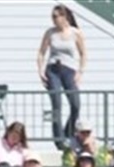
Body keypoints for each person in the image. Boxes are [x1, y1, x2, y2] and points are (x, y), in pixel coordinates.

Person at [37, 4, 86, 148]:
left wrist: (80, 72)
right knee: (56, 104)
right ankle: (58, 139)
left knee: (75, 104)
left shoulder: (75, 33)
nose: (55, 19)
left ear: (65, 17)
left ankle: (68, 132)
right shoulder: (50, 33)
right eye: (53, 16)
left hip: (69, 70)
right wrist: (40, 71)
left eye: (57, 16)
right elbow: (41, 53)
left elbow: (83, 54)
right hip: (53, 69)